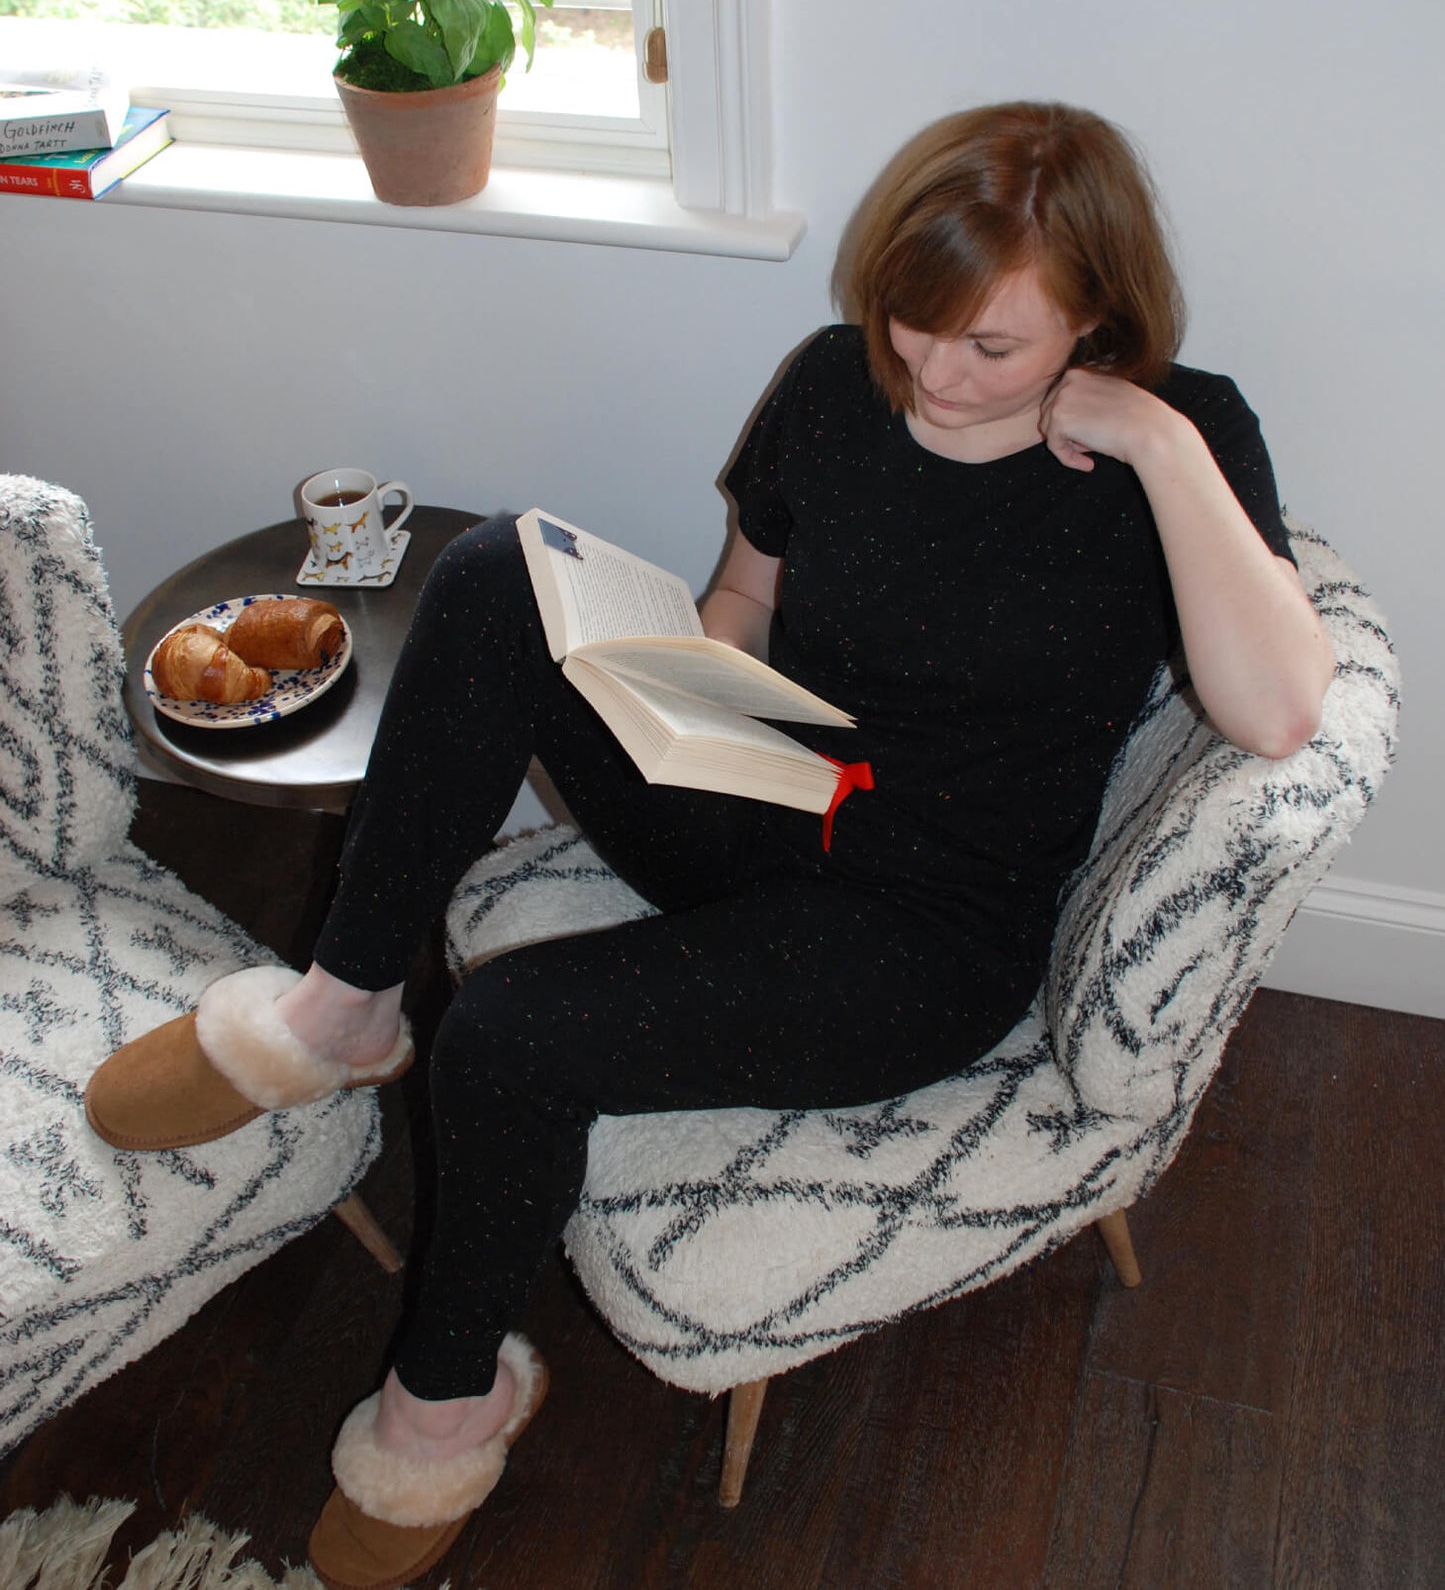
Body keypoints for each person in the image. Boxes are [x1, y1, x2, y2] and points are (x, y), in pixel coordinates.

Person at [85, 101, 1334, 1590]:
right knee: (495, 572)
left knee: (504, 1033)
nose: (932, 369)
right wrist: (688, 695)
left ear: (1100, 322)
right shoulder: (835, 380)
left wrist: (1143, 430)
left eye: (988, 348)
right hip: (768, 784)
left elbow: (1272, 709)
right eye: (909, 320)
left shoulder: (1179, 436)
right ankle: (341, 1003)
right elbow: (741, 596)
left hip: (918, 925)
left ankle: (440, 1400)